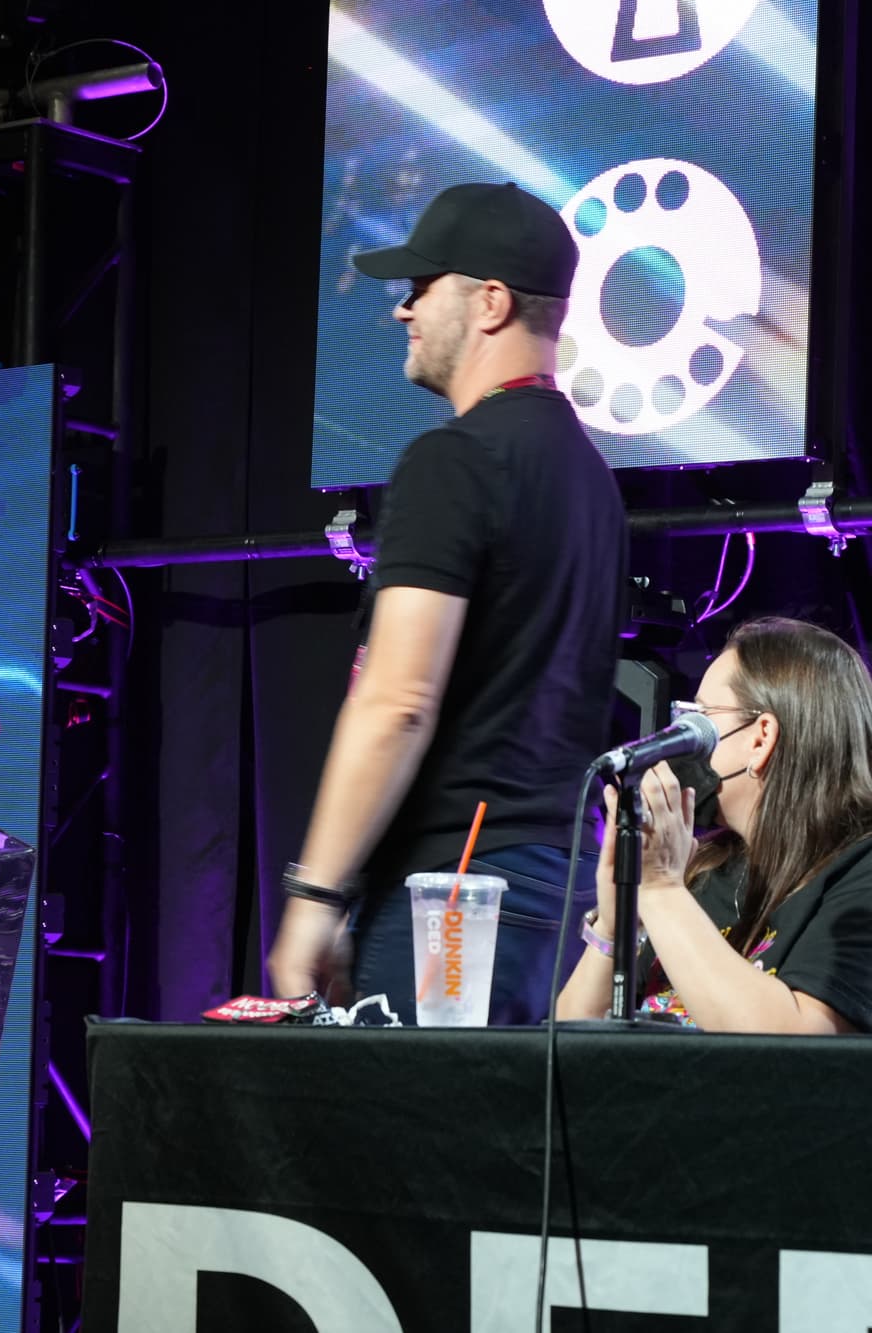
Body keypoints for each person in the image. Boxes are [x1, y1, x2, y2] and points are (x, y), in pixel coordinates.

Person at [266, 182, 631, 1025]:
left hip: (455, 894)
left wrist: (315, 895)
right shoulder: (591, 478)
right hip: (556, 887)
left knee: (411, 1153)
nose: (403, 310)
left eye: (422, 285)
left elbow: (397, 701)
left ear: (491, 302)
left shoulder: (452, 461)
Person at [556, 618, 871, 1032]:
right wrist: (616, 926)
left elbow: (796, 1050)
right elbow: (568, 1047)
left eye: (701, 718)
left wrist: (661, 890)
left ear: (761, 739)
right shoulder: (704, 868)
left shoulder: (859, 875)